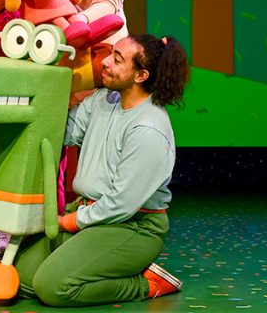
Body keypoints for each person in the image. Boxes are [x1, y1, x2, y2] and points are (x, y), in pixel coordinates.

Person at [13, 34, 190, 307]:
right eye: (110, 54)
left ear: (140, 76)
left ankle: (146, 283)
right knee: (20, 278)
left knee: (52, 287)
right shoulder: (104, 99)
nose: (105, 62)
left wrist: (68, 222)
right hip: (89, 213)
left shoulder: (148, 129)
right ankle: (96, 267)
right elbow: (63, 133)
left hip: (132, 226)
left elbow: (121, 204)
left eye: (117, 60)